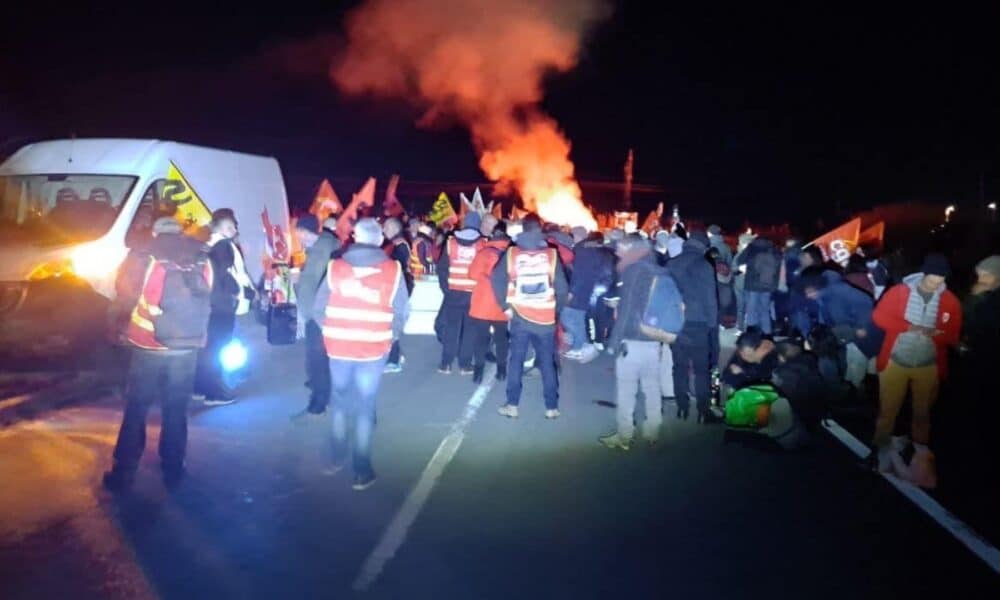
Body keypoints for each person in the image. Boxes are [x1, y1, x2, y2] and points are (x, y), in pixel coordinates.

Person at [102, 217, 213, 491]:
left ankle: (124, 470)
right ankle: (174, 467)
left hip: (148, 345)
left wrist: (118, 325)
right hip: (187, 347)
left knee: (137, 407)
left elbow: (124, 292)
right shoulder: (201, 256)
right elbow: (209, 295)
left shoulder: (144, 255)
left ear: (155, 232)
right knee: (176, 409)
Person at [313, 218, 408, 491]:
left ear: (355, 237)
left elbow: (318, 309)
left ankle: (334, 459)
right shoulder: (393, 270)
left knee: (340, 401)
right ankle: (361, 470)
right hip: (373, 348)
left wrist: (333, 330)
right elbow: (401, 312)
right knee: (365, 407)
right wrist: (391, 338)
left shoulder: (336, 267)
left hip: (339, 347)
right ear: (379, 240)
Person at [869, 253, 962, 479]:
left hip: (928, 365)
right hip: (895, 361)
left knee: (922, 413)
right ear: (923, 274)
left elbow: (953, 334)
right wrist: (910, 327)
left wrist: (939, 334)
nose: (936, 284)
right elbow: (879, 317)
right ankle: (880, 451)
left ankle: (920, 454)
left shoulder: (949, 300)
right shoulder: (899, 292)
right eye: (932, 279)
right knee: (887, 411)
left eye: (940, 280)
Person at [599, 234, 681, 450]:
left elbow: (627, 311)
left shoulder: (634, 270)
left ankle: (625, 436)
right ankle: (652, 431)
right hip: (654, 339)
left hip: (633, 340)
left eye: (620, 248)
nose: (616, 253)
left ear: (631, 249)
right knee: (652, 387)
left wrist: (613, 343)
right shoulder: (657, 268)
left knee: (626, 389)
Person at [492, 215, 568, 419]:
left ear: (523, 230)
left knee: (516, 361)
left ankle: (512, 405)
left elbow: (496, 279)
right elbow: (562, 288)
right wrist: (554, 310)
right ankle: (552, 408)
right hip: (545, 319)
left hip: (520, 317)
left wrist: (505, 306)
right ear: (540, 230)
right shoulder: (552, 255)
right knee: (547, 363)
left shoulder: (511, 254)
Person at [194, 209, 254, 405]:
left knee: (208, 347)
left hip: (208, 303)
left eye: (234, 226)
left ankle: (200, 387)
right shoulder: (224, 246)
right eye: (230, 226)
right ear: (219, 227)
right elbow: (228, 273)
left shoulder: (206, 244)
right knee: (218, 348)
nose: (234, 229)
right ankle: (215, 393)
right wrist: (239, 291)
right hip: (222, 304)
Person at [292, 215, 343, 418]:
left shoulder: (321, 250)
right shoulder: (324, 247)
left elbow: (310, 285)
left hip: (319, 313)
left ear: (306, 231)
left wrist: (303, 315)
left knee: (318, 357)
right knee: (324, 357)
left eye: (299, 234)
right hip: (327, 310)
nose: (299, 239)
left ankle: (320, 400)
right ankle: (326, 394)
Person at [667, 230, 720, 423]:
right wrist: (713, 325)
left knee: (679, 366)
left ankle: (682, 407)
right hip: (698, 323)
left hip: (675, 323)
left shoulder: (671, 263)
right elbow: (710, 298)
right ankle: (703, 411)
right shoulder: (703, 265)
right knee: (701, 369)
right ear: (703, 246)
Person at [799, 269, 882, 389]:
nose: (807, 294)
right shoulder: (823, 295)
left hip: (862, 334)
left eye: (808, 290)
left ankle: (857, 393)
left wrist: (862, 325)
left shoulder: (839, 289)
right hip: (849, 334)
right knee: (856, 365)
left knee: (859, 366)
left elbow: (866, 302)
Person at [436, 213, 485, 374]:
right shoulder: (483, 244)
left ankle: (446, 364)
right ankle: (465, 365)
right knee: (470, 330)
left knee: (451, 328)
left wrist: (446, 289)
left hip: (454, 293)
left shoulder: (451, 243)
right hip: (474, 294)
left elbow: (442, 269)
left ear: (464, 224)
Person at [467, 222, 511, 383]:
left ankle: (478, 373)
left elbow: (471, 275)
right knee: (501, 339)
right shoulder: (511, 254)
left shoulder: (484, 253)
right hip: (502, 303)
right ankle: (501, 371)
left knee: (481, 338)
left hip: (482, 304)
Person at [562, 231, 606, 360]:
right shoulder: (601, 252)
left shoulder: (582, 251)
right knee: (579, 319)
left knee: (567, 316)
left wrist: (571, 293)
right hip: (591, 290)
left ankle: (579, 346)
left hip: (579, 292)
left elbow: (579, 275)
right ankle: (579, 345)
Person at [383, 217, 414, 374]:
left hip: (398, 286)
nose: (384, 230)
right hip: (396, 285)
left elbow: (397, 267)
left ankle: (393, 360)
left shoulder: (399, 245)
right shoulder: (393, 244)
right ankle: (395, 355)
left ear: (395, 228)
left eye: (387, 227)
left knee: (392, 320)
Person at [736, 235, 781, 334]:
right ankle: (766, 334)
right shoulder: (774, 249)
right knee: (765, 310)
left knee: (752, 310)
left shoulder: (751, 247)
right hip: (768, 285)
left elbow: (739, 261)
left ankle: (753, 334)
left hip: (752, 285)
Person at [721, 327, 779, 393]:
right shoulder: (740, 352)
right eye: (741, 351)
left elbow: (764, 376)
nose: (742, 354)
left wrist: (743, 371)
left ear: (757, 349)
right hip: (747, 385)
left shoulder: (769, 355)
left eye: (746, 353)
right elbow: (726, 375)